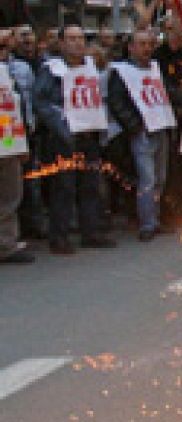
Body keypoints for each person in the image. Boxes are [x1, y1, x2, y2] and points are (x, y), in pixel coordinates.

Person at [33, 25, 116, 254]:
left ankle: (91, 232)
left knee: (90, 186)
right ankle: (59, 237)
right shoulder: (52, 68)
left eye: (80, 38)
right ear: (61, 43)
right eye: (71, 39)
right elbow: (41, 102)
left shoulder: (90, 66)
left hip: (89, 134)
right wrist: (63, 125)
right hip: (64, 137)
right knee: (64, 187)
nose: (77, 43)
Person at [106, 29, 178, 242]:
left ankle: (154, 218)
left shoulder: (155, 69)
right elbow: (117, 102)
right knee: (147, 179)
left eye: (149, 44)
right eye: (142, 44)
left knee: (160, 178)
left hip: (161, 127)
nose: (147, 48)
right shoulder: (121, 72)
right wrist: (134, 126)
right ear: (131, 47)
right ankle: (147, 223)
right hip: (143, 131)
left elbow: (167, 93)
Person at [0, 29, 33, 263]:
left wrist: (20, 145)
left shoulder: (6, 73)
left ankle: (6, 244)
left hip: (7, 142)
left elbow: (13, 111)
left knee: (11, 196)